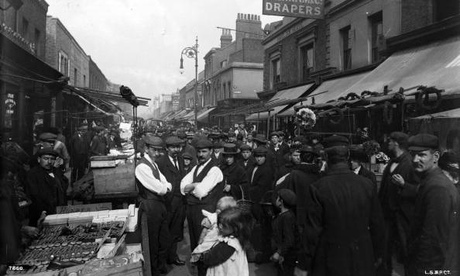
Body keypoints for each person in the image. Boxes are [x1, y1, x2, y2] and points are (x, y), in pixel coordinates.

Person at [303, 135, 385, 276]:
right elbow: (377, 224)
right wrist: (378, 254)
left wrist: (303, 264)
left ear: (326, 159)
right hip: (362, 255)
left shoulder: (318, 187)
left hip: (330, 257)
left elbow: (312, 232)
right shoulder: (367, 185)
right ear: (347, 157)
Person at [405, 134, 459, 276]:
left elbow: (433, 240)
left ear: (435, 157)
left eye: (422, 155)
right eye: (413, 155)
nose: (416, 160)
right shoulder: (431, 182)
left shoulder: (437, 188)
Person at [378, 132, 419, 275]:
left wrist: (404, 185)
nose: (387, 143)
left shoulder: (410, 163)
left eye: (390, 140)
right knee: (385, 249)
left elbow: (419, 190)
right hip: (388, 214)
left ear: (396, 143)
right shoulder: (391, 161)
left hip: (403, 216)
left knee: (406, 250)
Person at [275, 145, 321, 272]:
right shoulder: (319, 175)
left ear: (300, 158)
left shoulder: (294, 174)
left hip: (297, 217)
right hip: (315, 219)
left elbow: (281, 190)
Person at [135, 135, 172, 276]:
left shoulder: (154, 164)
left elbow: (167, 183)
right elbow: (161, 188)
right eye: (154, 150)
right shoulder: (142, 167)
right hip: (150, 206)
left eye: (159, 151)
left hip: (159, 205)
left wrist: (165, 187)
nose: (157, 153)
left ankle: (160, 266)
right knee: (152, 242)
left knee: (164, 239)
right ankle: (153, 270)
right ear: (146, 149)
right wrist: (165, 187)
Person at [180, 139, 224, 251]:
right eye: (199, 152)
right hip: (192, 210)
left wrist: (193, 187)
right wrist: (195, 185)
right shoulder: (196, 168)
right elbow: (182, 186)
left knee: (205, 242)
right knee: (194, 241)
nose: (201, 155)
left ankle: (205, 268)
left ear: (211, 151)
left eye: (204, 151)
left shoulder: (215, 170)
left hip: (206, 211)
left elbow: (201, 192)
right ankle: (198, 266)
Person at [156, 136, 186, 266]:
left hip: (180, 201)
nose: (176, 150)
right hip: (167, 202)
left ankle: (172, 256)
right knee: (164, 232)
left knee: (175, 230)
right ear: (167, 149)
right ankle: (162, 261)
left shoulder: (179, 159)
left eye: (178, 147)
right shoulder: (160, 162)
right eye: (173, 147)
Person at [199, 207, 252, 276]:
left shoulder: (228, 245)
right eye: (219, 223)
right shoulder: (239, 238)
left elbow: (210, 259)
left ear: (235, 227)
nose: (220, 226)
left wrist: (203, 254)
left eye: (224, 225)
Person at [26, 147, 67, 227]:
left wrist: (58, 170)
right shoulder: (33, 174)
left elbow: (64, 186)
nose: (49, 162)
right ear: (39, 159)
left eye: (52, 159)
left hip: (58, 212)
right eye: (46, 158)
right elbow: (34, 196)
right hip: (41, 213)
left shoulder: (55, 171)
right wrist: (42, 212)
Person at [190, 196, 238, 263]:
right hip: (210, 238)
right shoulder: (213, 217)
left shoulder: (232, 223)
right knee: (203, 249)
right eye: (217, 208)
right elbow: (204, 230)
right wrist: (201, 240)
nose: (218, 211)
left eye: (221, 210)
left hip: (220, 243)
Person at [271, 189, 299, 276]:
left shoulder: (287, 217)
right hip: (284, 255)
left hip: (286, 257)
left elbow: (289, 239)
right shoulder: (283, 215)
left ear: (281, 202)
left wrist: (279, 253)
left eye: (278, 198)